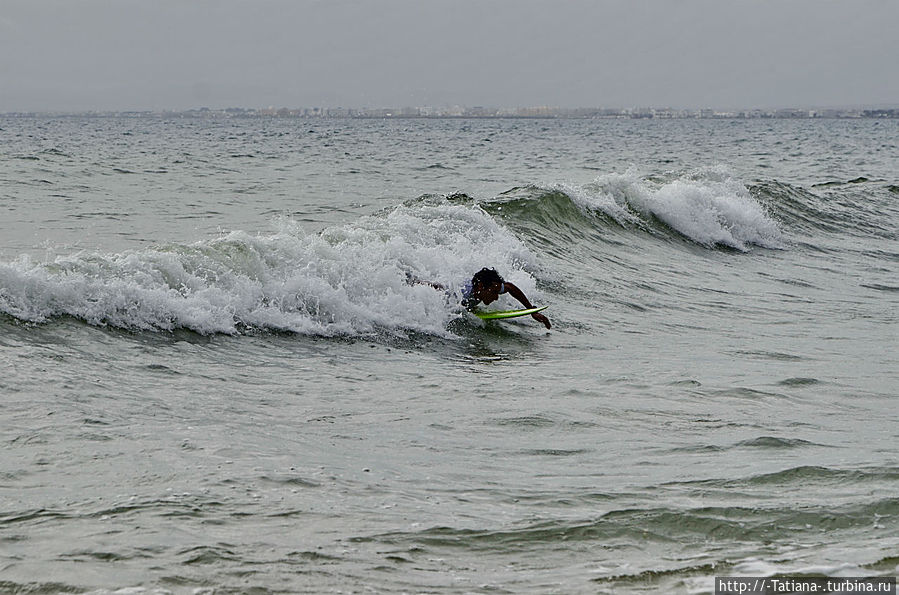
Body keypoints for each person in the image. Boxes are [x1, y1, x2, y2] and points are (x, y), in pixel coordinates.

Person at [462, 268, 551, 329]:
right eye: (494, 293)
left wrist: (532, 310)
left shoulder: (489, 287)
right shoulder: (462, 294)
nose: (496, 297)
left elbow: (510, 287)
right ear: (481, 286)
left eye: (497, 292)